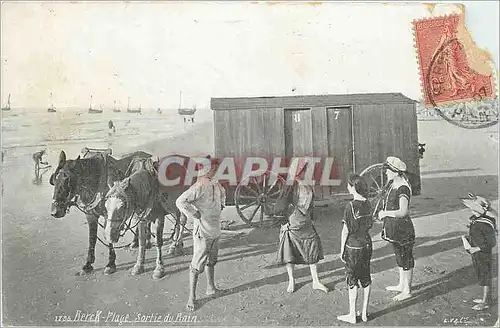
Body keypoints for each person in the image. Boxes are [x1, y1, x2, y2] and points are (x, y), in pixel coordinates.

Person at [176, 156, 225, 312]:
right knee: (197, 266)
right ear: (205, 170)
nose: (216, 172)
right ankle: (192, 297)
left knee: (212, 261)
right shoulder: (198, 186)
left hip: (215, 230)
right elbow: (180, 201)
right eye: (214, 169)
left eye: (216, 169)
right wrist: (194, 213)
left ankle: (211, 287)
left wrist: (221, 205)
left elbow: (223, 195)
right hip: (203, 231)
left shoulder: (216, 185)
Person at [276, 160, 328, 294]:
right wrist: (284, 222)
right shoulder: (290, 185)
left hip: (306, 222)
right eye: (305, 170)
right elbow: (280, 206)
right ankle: (291, 280)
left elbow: (311, 203)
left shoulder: (308, 184)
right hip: (293, 223)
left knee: (312, 249)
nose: (307, 172)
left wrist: (311, 215)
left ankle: (315, 281)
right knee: (290, 252)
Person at [378, 156, 415, 301]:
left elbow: (403, 211)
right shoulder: (393, 184)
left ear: (394, 172)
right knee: (400, 257)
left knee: (406, 259)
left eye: (387, 171)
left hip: (403, 230)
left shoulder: (403, 188)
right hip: (395, 229)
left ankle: (407, 290)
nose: (386, 173)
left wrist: (385, 213)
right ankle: (401, 284)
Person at [337, 174, 372, 324]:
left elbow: (345, 231)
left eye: (348, 185)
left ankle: (352, 315)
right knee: (366, 277)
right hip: (367, 244)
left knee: (352, 280)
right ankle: (364, 313)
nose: (347, 187)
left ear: (353, 187)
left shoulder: (350, 206)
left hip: (353, 246)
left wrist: (341, 249)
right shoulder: (368, 203)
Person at [462, 193, 497, 311]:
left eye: (473, 209)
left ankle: (486, 301)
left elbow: (492, 242)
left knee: (485, 276)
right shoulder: (478, 220)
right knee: (482, 274)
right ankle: (485, 298)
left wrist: (476, 248)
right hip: (477, 252)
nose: (472, 211)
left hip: (483, 253)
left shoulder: (484, 223)